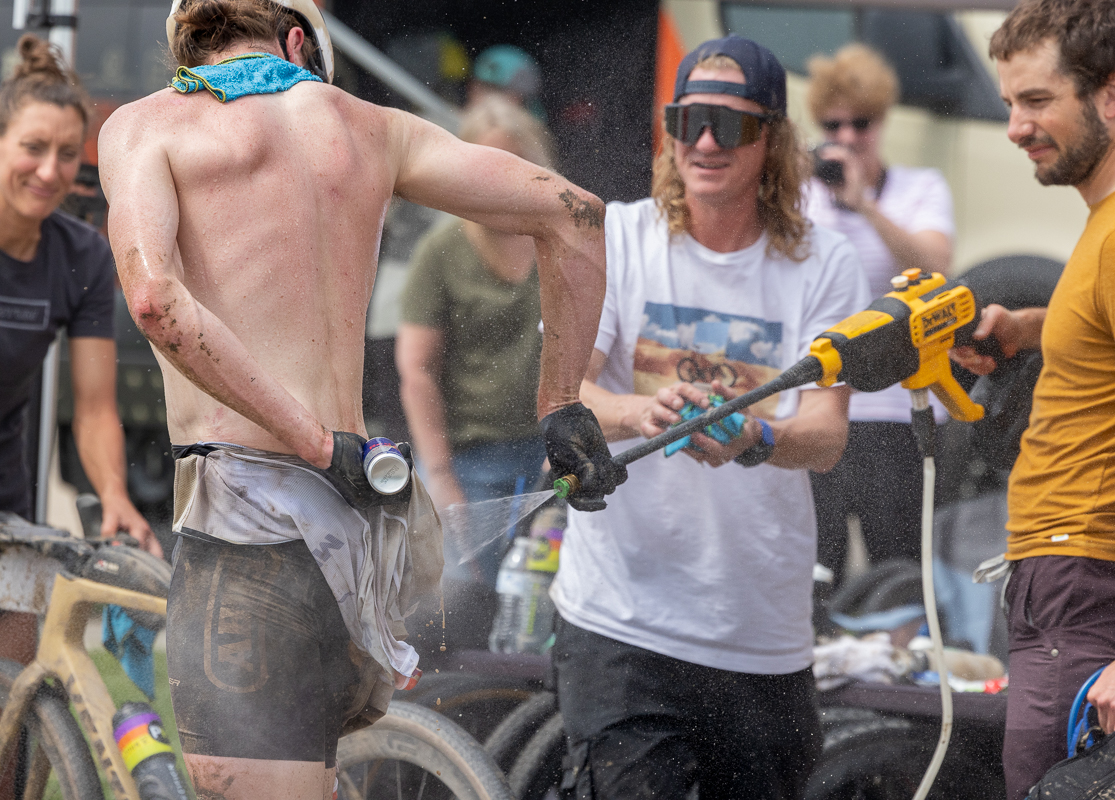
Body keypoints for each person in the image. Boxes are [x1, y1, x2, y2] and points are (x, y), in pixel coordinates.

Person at [98, 0, 624, 797]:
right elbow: (579, 215)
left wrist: (311, 444)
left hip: (252, 532)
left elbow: (154, 302)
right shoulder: (372, 126)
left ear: (186, 37)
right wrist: (562, 404)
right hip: (357, 538)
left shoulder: (147, 126)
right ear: (299, 39)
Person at [550, 34, 870, 799]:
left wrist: (758, 438)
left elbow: (826, 439)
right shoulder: (621, 237)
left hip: (759, 633)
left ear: (773, 140)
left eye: (727, 125)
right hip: (620, 621)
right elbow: (564, 390)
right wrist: (642, 411)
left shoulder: (826, 265)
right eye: (685, 119)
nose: (701, 142)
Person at [950, 1, 1115, 797]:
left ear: (1113, 94)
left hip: (1096, 593)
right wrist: (1032, 328)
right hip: (1078, 585)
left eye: (1036, 101)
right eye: (1009, 105)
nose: (1017, 127)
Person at [0, 34, 157, 671]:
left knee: (16, 675)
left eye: (68, 154)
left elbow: (93, 409)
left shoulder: (81, 255)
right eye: (32, 148)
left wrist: (115, 494)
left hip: (6, 491)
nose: (50, 171)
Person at [397, 96, 555, 644]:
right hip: (469, 459)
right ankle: (452, 723)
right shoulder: (441, 252)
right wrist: (440, 479)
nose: (496, 182)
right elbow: (416, 370)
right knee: (460, 611)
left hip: (549, 457)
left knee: (539, 615)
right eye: (482, 168)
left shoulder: (555, 242)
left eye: (510, 167)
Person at [803, 43, 956, 586]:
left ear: (882, 121)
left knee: (899, 571)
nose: (846, 137)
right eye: (832, 124)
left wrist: (864, 203)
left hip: (894, 413)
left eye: (860, 123)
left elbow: (936, 269)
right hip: (818, 407)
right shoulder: (802, 196)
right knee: (818, 569)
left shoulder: (919, 189)